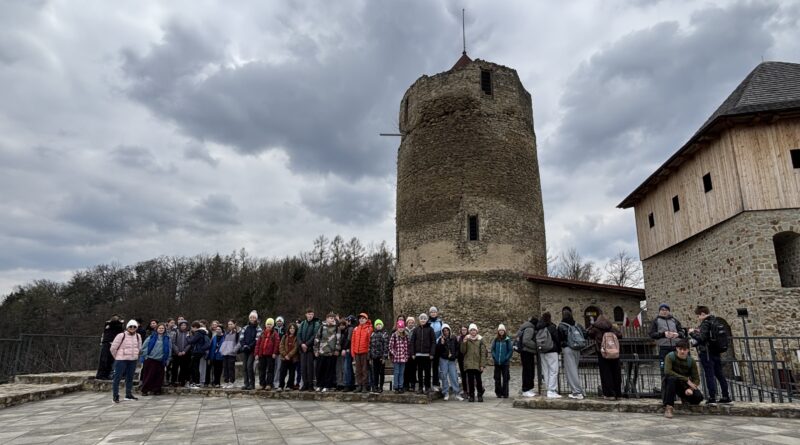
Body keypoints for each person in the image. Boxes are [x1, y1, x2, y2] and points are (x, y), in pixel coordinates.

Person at [689, 306, 732, 405]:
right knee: (720, 374)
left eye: (698, 316)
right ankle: (726, 396)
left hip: (707, 353)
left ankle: (712, 397)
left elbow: (702, 339)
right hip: (716, 352)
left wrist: (692, 333)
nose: (698, 318)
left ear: (702, 314)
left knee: (709, 375)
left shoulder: (706, 323)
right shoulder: (716, 321)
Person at [663, 340, 704, 418]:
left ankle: (684, 398)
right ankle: (669, 407)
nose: (682, 351)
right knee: (671, 379)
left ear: (688, 350)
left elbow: (696, 379)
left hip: (684, 385)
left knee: (698, 398)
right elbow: (667, 371)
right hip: (672, 384)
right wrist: (686, 379)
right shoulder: (670, 356)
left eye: (684, 349)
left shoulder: (691, 361)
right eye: (680, 349)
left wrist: (691, 389)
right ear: (677, 349)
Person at [587, 314, 623, 399]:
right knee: (616, 373)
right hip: (614, 353)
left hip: (602, 353)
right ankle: (618, 393)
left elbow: (588, 333)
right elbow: (620, 335)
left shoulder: (595, 328)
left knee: (605, 374)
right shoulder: (612, 328)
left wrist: (592, 325)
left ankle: (608, 394)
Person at [110, 320, 142, 403]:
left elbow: (139, 348)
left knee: (130, 378)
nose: (132, 328)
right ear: (127, 327)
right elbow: (113, 348)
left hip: (132, 360)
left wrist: (136, 355)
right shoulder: (121, 335)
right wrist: (117, 357)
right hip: (121, 360)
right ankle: (115, 396)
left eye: (134, 327)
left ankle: (128, 394)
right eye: (130, 326)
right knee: (117, 378)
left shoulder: (138, 336)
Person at [558, 308, 587, 399]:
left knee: (571, 371)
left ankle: (577, 392)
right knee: (575, 369)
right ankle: (579, 391)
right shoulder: (577, 324)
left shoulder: (561, 326)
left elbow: (560, 339)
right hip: (577, 348)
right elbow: (585, 334)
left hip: (568, 348)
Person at [649, 303, 684, 374]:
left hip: (676, 348)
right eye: (662, 310)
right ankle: (665, 384)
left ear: (669, 311)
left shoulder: (674, 320)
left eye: (666, 310)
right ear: (659, 311)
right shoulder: (655, 321)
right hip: (664, 348)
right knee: (664, 368)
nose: (664, 311)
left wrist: (677, 334)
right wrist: (663, 334)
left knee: (677, 368)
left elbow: (682, 332)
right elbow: (652, 334)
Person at [139, 323, 170, 396]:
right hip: (150, 359)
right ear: (157, 329)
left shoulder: (167, 338)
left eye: (162, 328)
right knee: (148, 375)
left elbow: (169, 349)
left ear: (165, 330)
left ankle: (156, 390)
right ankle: (145, 390)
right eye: (160, 328)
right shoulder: (151, 337)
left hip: (161, 360)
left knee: (159, 376)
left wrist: (167, 358)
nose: (161, 329)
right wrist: (146, 355)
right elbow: (144, 347)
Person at [536, 312, 562, 398]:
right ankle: (552, 390)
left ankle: (548, 389)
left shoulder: (538, 327)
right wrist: (559, 349)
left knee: (545, 371)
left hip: (542, 351)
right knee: (554, 371)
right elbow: (557, 339)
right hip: (552, 350)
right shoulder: (552, 327)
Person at [314, 312, 341, 392]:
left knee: (329, 370)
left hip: (331, 353)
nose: (331, 319)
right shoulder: (322, 327)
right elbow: (317, 338)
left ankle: (327, 386)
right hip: (322, 352)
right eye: (330, 318)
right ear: (326, 319)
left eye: (333, 318)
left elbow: (338, 340)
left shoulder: (337, 328)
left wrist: (337, 350)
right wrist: (316, 350)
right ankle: (319, 385)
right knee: (320, 369)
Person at [460, 323, 486, 402]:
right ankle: (471, 396)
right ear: (469, 331)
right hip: (469, 364)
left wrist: (482, 365)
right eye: (471, 330)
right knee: (470, 381)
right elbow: (462, 351)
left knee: (478, 381)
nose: (473, 332)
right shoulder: (466, 339)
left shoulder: (481, 339)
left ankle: (479, 395)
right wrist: (464, 343)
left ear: (476, 331)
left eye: (474, 330)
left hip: (477, 364)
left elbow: (483, 353)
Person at [410, 313, 435, 394]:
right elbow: (412, 342)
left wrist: (432, 353)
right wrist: (413, 353)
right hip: (418, 355)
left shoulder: (430, 329)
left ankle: (427, 387)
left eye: (424, 319)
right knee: (420, 372)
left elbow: (433, 342)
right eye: (421, 319)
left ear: (427, 320)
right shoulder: (416, 330)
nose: (423, 320)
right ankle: (420, 387)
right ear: (419, 320)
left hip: (427, 355)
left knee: (427, 372)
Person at [436, 323, 462, 401]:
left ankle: (456, 393)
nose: (446, 332)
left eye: (447, 330)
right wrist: (441, 344)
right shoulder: (440, 339)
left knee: (454, 376)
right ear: (442, 331)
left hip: (451, 360)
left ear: (449, 330)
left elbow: (457, 348)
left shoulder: (453, 338)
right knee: (444, 376)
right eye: (444, 331)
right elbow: (438, 351)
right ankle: (445, 392)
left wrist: (455, 356)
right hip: (443, 359)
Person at [298, 308, 321, 391]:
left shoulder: (316, 323)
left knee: (310, 368)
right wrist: (301, 344)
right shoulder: (303, 323)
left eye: (311, 314)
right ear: (306, 315)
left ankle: (311, 385)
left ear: (313, 315)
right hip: (302, 349)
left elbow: (315, 335)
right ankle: (305, 384)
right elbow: (299, 334)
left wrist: (306, 344)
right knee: (303, 368)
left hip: (310, 349)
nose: (310, 315)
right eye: (308, 314)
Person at [96, 314, 124, 380]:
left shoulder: (118, 326)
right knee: (104, 360)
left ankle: (107, 374)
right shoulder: (108, 324)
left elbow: (119, 327)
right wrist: (120, 321)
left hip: (113, 344)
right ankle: (101, 375)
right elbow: (114, 324)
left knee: (110, 360)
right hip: (107, 343)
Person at [350, 312, 373, 393]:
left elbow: (370, 341)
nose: (361, 319)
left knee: (364, 370)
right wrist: (353, 352)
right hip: (356, 352)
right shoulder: (356, 329)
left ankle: (364, 386)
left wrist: (369, 353)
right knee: (357, 370)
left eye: (363, 318)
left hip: (365, 352)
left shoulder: (369, 329)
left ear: (366, 319)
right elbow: (353, 341)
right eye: (360, 318)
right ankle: (359, 385)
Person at [239, 311, 261, 390]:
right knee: (244, 367)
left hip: (252, 350)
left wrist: (250, 346)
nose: (252, 319)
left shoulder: (258, 328)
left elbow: (257, 339)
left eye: (254, 317)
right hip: (245, 350)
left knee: (249, 366)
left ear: (256, 318)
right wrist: (244, 345)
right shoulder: (245, 328)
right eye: (251, 317)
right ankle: (246, 383)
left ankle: (252, 384)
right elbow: (241, 338)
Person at [255, 318, 280, 390]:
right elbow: (258, 344)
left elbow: (277, 344)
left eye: (270, 324)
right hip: (262, 354)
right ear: (266, 325)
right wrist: (256, 353)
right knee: (261, 370)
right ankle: (262, 384)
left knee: (270, 370)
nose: (269, 325)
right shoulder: (262, 333)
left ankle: (269, 384)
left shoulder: (275, 334)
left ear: (272, 325)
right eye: (268, 324)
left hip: (270, 355)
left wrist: (275, 353)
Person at [517, 316, 539, 397]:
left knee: (528, 370)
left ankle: (527, 388)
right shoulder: (530, 328)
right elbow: (526, 340)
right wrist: (536, 346)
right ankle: (526, 389)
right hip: (527, 352)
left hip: (525, 352)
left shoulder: (525, 327)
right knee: (528, 371)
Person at [491, 324, 513, 399]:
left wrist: (506, 358)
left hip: (505, 363)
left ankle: (505, 393)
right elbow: (492, 349)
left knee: (505, 378)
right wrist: (494, 357)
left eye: (502, 330)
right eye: (500, 330)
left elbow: (510, 350)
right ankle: (498, 393)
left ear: (504, 331)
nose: (501, 331)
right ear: (498, 331)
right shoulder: (495, 339)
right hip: (497, 362)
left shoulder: (507, 340)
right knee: (497, 378)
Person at [389, 319, 409, 393]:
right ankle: (396, 387)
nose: (401, 329)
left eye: (402, 327)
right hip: (396, 358)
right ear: (397, 327)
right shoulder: (394, 335)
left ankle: (401, 386)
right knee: (396, 372)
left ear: (404, 328)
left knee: (401, 373)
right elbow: (390, 346)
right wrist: (394, 353)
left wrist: (406, 355)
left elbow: (407, 347)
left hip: (403, 358)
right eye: (399, 327)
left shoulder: (406, 336)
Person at [188, 321, 210, 388]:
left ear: (195, 327)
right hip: (200, 351)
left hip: (197, 351)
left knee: (195, 367)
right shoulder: (203, 333)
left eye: (192, 328)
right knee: (195, 366)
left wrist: (188, 337)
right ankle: (196, 382)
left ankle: (196, 382)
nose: (191, 329)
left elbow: (192, 341)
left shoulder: (198, 333)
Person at [369, 319, 389, 393]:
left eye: (380, 324)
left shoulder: (384, 334)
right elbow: (370, 346)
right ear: (375, 326)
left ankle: (381, 387)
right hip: (374, 357)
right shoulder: (372, 334)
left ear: (382, 325)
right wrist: (370, 356)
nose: (378, 326)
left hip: (381, 357)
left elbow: (386, 346)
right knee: (375, 373)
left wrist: (384, 357)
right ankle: (375, 386)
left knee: (381, 373)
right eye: (377, 324)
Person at [170, 320, 192, 387]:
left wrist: (184, 351)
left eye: (184, 325)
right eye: (182, 325)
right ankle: (173, 381)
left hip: (185, 354)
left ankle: (182, 381)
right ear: (179, 326)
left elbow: (190, 343)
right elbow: (173, 342)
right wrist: (177, 351)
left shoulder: (189, 333)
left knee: (184, 368)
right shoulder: (176, 332)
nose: (183, 326)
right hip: (176, 354)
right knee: (174, 368)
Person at [278, 322, 300, 391]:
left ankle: (289, 386)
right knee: (282, 372)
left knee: (292, 373)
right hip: (284, 358)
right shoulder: (285, 336)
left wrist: (289, 355)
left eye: (293, 328)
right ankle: (281, 386)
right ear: (289, 329)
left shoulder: (297, 338)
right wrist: (285, 355)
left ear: (295, 329)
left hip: (293, 358)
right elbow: (281, 346)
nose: (292, 329)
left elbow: (296, 348)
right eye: (291, 328)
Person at [220, 320, 239, 388]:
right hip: (225, 353)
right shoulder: (227, 333)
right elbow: (224, 343)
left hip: (232, 353)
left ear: (234, 324)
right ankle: (226, 382)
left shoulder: (237, 333)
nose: (230, 325)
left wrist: (234, 350)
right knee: (225, 368)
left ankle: (232, 382)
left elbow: (239, 342)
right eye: (228, 324)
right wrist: (222, 351)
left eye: (231, 324)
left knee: (231, 368)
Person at [428, 306, 443, 390]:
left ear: (437, 313)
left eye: (434, 312)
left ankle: (436, 383)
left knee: (436, 366)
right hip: (428, 347)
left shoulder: (440, 322)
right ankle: (427, 384)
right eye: (431, 312)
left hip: (437, 347)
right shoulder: (427, 322)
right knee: (427, 366)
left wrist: (437, 341)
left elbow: (442, 333)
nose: (433, 313)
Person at [403, 316, 417, 392]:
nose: (410, 324)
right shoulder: (404, 330)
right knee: (406, 370)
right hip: (405, 353)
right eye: (409, 322)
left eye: (412, 322)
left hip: (413, 353)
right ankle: (406, 385)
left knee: (413, 370)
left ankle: (413, 384)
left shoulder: (416, 330)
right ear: (407, 323)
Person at [335, 319, 349, 390]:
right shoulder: (337, 332)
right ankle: (339, 383)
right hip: (338, 352)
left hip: (344, 351)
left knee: (344, 368)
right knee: (338, 368)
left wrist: (344, 349)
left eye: (343, 325)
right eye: (340, 325)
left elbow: (347, 341)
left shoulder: (346, 332)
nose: (341, 326)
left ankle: (344, 382)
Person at [273, 316, 285, 389]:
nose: (279, 322)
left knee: (279, 367)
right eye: (278, 321)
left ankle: (276, 381)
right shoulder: (273, 329)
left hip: (281, 351)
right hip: (273, 351)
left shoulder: (285, 329)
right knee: (272, 367)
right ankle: (271, 381)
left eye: (280, 321)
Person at [456, 325, 469, 398]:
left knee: (470, 375)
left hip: (468, 359)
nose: (463, 331)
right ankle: (465, 391)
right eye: (462, 330)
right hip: (461, 359)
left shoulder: (469, 337)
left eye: (465, 330)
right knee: (463, 376)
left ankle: (470, 391)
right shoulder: (459, 338)